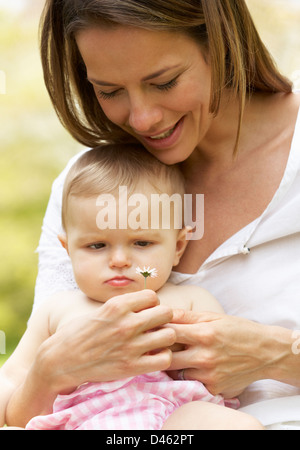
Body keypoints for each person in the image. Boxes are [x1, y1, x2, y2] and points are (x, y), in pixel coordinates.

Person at [1, 0, 300, 429]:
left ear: (220, 44)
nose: (142, 118)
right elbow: (25, 393)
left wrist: (276, 352)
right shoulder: (90, 186)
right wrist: (47, 373)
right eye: (109, 91)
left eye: (164, 82)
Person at [2, 145, 263, 430]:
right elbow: (14, 379)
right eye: (97, 245)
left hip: (174, 420)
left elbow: (228, 376)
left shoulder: (189, 301)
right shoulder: (57, 310)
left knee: (236, 424)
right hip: (86, 421)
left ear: (177, 246)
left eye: (141, 243)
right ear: (68, 249)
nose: (119, 260)